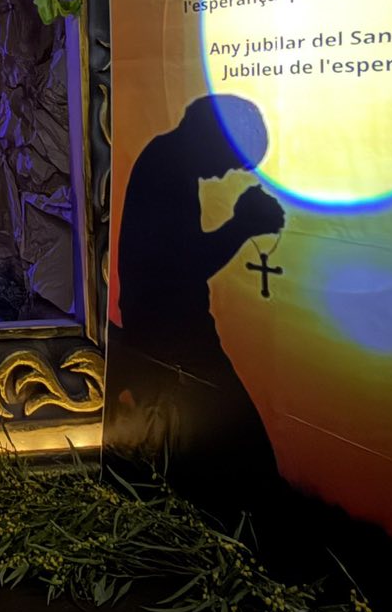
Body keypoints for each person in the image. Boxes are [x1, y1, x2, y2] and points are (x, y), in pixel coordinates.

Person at [112, 94, 286, 493]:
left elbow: (178, 259)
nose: (225, 174)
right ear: (213, 137)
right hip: (174, 338)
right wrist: (243, 225)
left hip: (168, 331)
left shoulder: (167, 161)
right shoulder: (167, 168)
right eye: (231, 161)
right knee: (242, 448)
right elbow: (181, 265)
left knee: (211, 447)